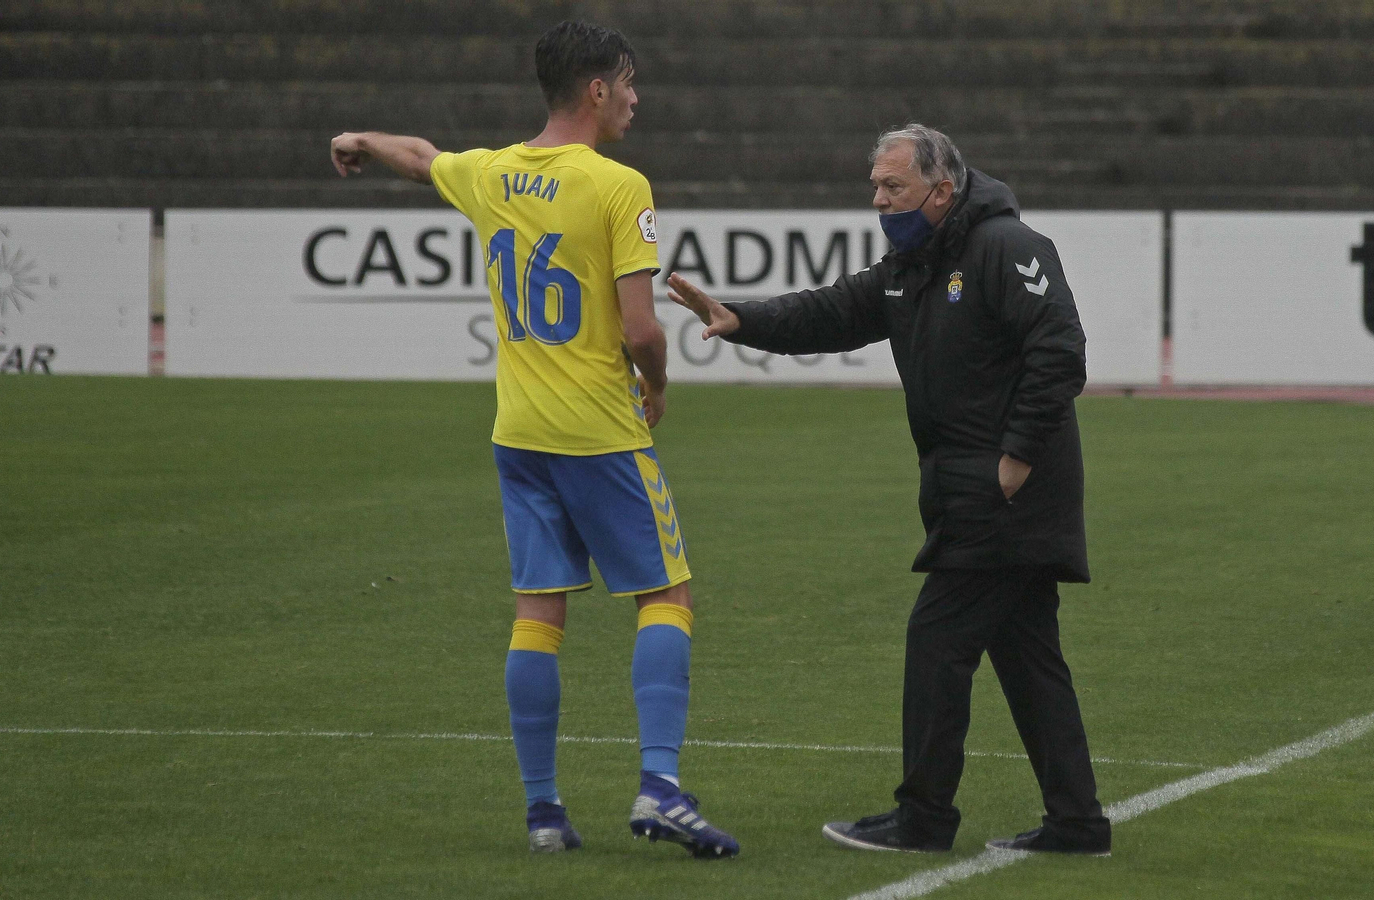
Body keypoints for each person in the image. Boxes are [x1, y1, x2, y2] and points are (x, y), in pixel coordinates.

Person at [328, 20, 739, 860]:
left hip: (518, 434)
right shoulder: (618, 185)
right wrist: (658, 386)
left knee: (539, 610)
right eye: (628, 82)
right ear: (596, 89)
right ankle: (660, 787)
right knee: (666, 595)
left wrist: (361, 139)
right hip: (598, 431)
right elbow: (641, 330)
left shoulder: (492, 172)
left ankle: (544, 811)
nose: (636, 98)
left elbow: (423, 158)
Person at [667, 124, 1111, 856]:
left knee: (938, 642)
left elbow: (1060, 349)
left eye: (892, 186)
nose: (877, 199)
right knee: (1028, 658)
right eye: (874, 185)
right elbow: (834, 312)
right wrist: (742, 319)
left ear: (941, 191)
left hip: (1005, 495)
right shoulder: (914, 263)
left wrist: (1015, 458)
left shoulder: (1007, 247)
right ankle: (1078, 822)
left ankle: (925, 818)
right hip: (972, 489)